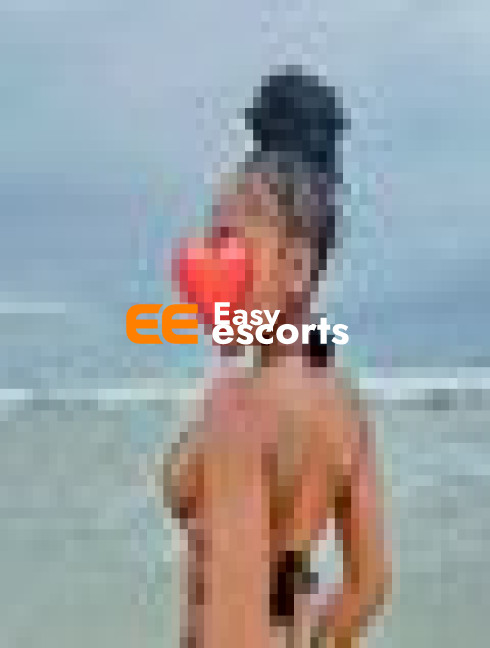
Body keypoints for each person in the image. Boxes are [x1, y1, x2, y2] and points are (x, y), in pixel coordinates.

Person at [165, 67, 390, 647]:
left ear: (295, 267)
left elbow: (233, 627)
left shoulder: (240, 409)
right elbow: (369, 584)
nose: (205, 260)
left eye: (226, 240)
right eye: (208, 240)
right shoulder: (342, 400)